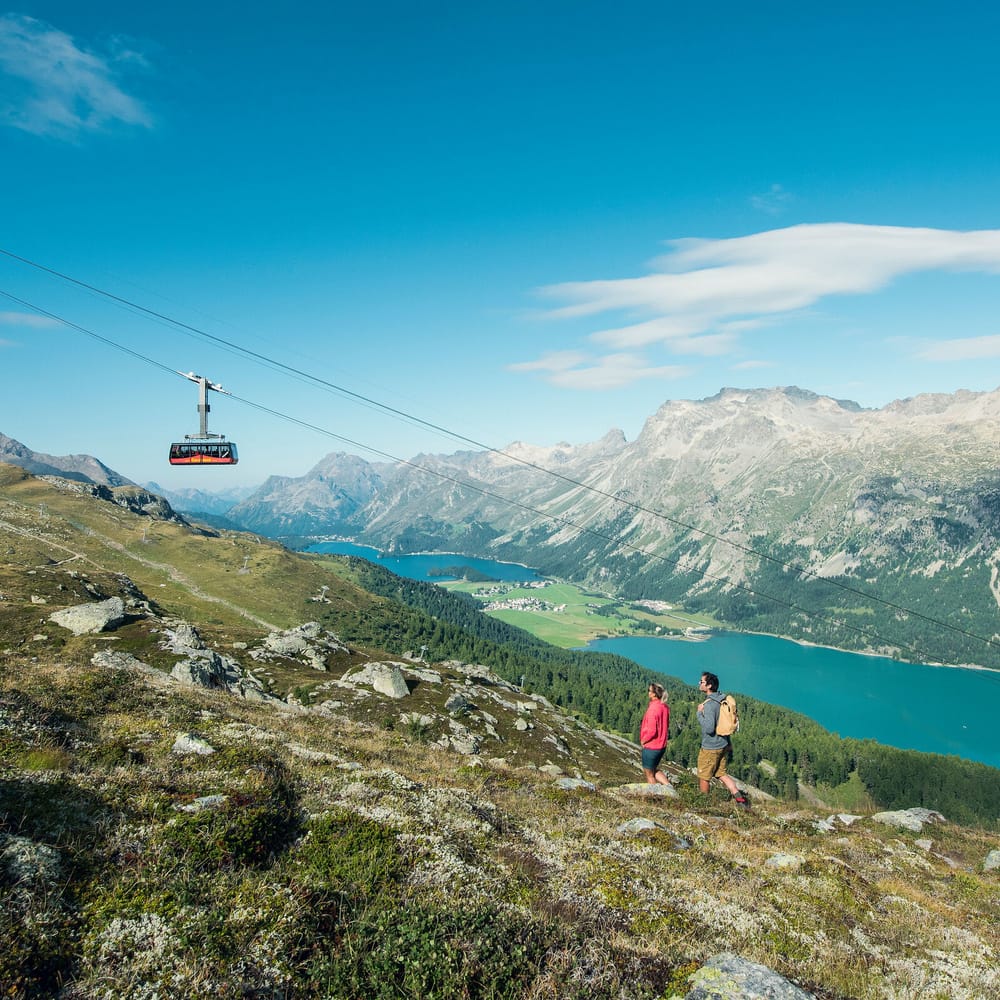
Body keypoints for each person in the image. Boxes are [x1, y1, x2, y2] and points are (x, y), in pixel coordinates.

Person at [696, 672, 749, 807]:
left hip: (711, 747)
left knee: (704, 776)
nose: (699, 683)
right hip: (723, 744)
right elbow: (724, 723)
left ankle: (703, 805)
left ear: (709, 685)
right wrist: (729, 742)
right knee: (721, 773)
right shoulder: (722, 699)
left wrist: (699, 713)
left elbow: (709, 728)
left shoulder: (709, 705)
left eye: (701, 682)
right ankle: (740, 799)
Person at [639, 682, 671, 785]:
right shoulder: (664, 707)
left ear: (653, 694)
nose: (648, 692)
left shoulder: (653, 709)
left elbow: (652, 731)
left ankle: (653, 793)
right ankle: (669, 787)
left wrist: (643, 741)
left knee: (649, 774)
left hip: (651, 747)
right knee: (654, 769)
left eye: (649, 690)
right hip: (661, 746)